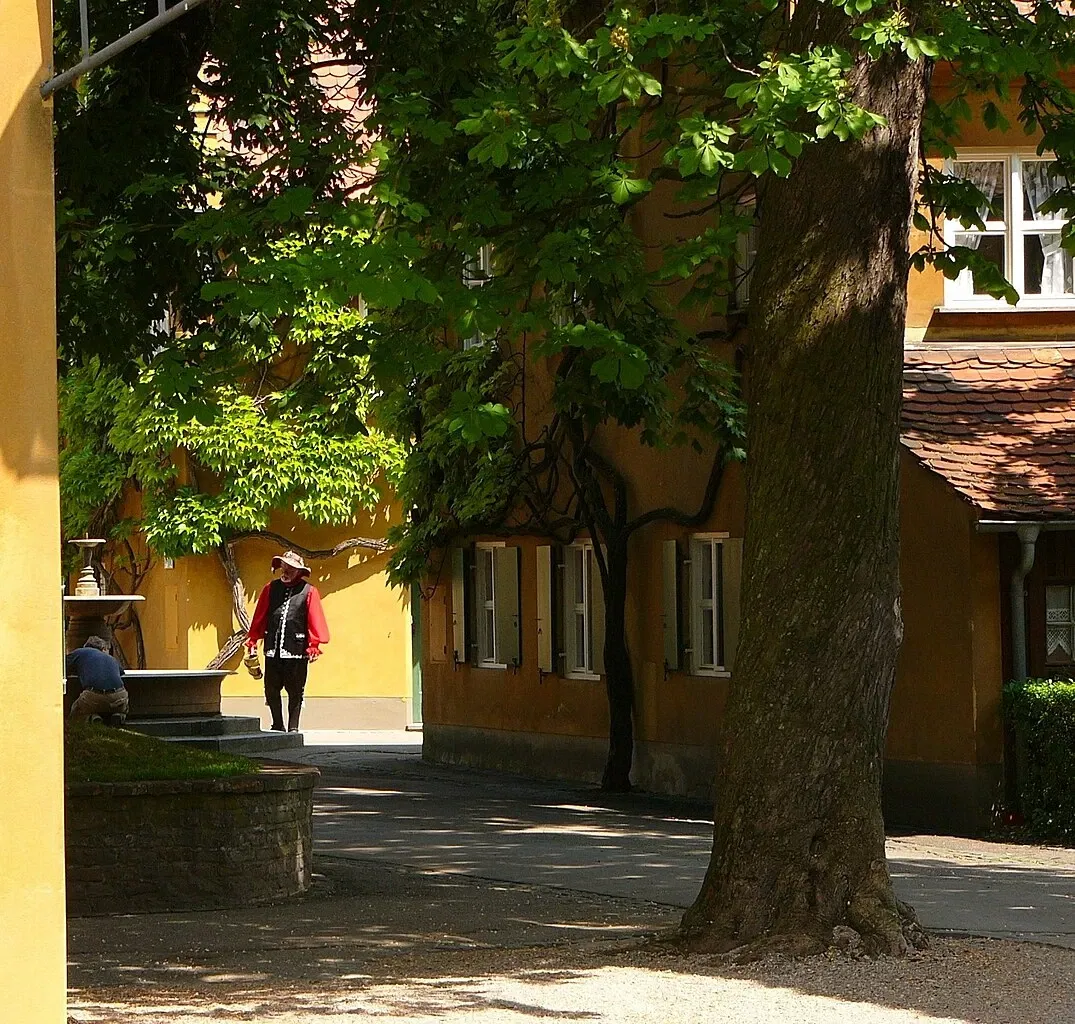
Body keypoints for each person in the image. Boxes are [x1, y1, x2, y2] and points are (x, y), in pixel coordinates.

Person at [245, 550, 330, 733]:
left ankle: (293, 727)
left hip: (297, 649)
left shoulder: (309, 591)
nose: (286, 570)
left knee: (296, 690)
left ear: (299, 571)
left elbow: (314, 619)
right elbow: (260, 616)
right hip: (272, 649)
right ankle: (277, 723)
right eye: (284, 566)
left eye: (291, 568)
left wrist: (313, 645)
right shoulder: (270, 588)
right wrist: (253, 639)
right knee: (271, 688)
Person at [67, 636, 129, 725]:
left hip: (93, 697)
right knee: (120, 706)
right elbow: (121, 672)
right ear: (103, 649)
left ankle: (92, 718)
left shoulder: (80, 652)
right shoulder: (112, 658)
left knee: (77, 710)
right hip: (119, 697)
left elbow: (63, 666)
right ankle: (119, 715)